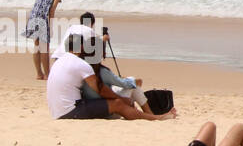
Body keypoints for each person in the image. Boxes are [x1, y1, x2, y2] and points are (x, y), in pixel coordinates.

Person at [46, 27, 175, 121]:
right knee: (117, 104)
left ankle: (151, 116)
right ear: (81, 47)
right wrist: (120, 99)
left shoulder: (60, 60)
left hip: (56, 110)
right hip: (70, 110)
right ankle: (155, 117)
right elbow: (100, 90)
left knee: (117, 102)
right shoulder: (82, 65)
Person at [61, 12, 153, 113]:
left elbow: (91, 47)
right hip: (102, 104)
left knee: (117, 84)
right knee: (134, 85)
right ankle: (149, 113)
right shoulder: (99, 71)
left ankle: (141, 111)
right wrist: (104, 39)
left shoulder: (73, 29)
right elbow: (94, 45)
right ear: (92, 23)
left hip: (83, 96)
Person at [23, 0, 73, 80]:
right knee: (44, 48)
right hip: (42, 19)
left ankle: (39, 74)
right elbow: (52, 10)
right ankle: (48, 75)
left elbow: (38, 3)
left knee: (37, 47)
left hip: (33, 16)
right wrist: (50, 25)